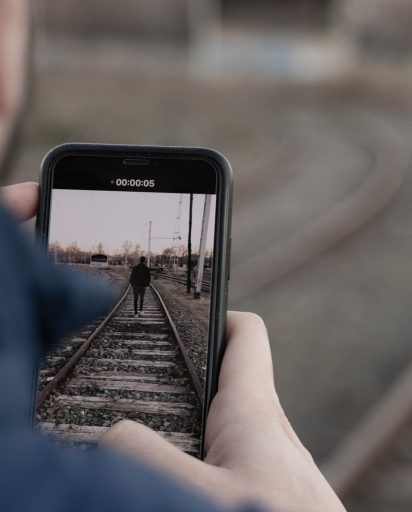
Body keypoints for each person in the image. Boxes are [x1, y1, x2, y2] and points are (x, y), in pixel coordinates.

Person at [0, 1, 345, 510]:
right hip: (141, 295)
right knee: (150, 307)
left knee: (141, 304)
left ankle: (139, 309)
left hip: (139, 290)